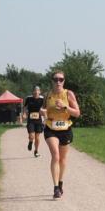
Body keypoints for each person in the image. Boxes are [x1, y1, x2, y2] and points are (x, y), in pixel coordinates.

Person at [43, 71, 80, 200]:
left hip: (65, 129)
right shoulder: (48, 95)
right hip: (51, 128)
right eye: (55, 79)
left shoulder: (68, 94)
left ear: (64, 81)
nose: (58, 82)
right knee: (56, 155)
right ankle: (55, 188)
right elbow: (44, 110)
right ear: (52, 81)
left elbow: (77, 113)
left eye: (61, 79)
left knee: (63, 159)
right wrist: (43, 112)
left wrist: (65, 107)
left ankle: (60, 182)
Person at [24, 85, 45, 157]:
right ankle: (30, 141)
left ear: (40, 92)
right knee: (32, 136)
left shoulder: (42, 99)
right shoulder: (28, 98)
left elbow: (45, 109)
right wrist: (24, 114)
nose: (36, 92)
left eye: (37, 90)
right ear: (33, 91)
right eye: (35, 90)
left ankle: (36, 151)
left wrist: (45, 117)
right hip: (31, 120)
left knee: (37, 137)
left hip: (39, 120)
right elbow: (25, 107)